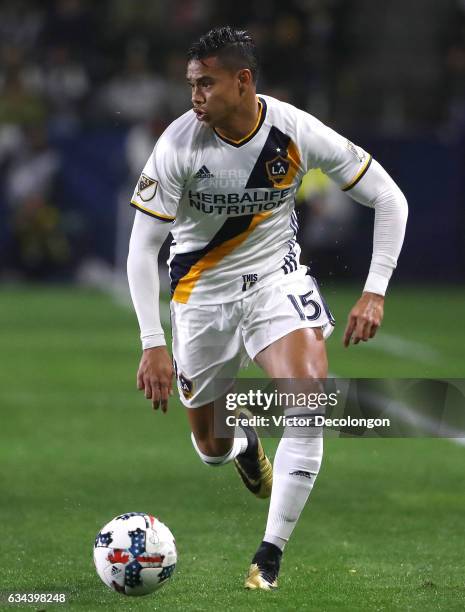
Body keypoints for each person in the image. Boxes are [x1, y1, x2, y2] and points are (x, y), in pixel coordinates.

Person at [127, 26, 408, 590]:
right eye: (191, 84)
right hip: (200, 297)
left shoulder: (294, 131)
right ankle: (243, 441)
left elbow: (389, 197)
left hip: (275, 285)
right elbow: (142, 247)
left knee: (308, 400)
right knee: (209, 447)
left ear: (243, 80)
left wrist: (375, 290)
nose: (195, 95)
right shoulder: (178, 145)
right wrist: (152, 343)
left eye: (206, 83)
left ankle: (270, 554)